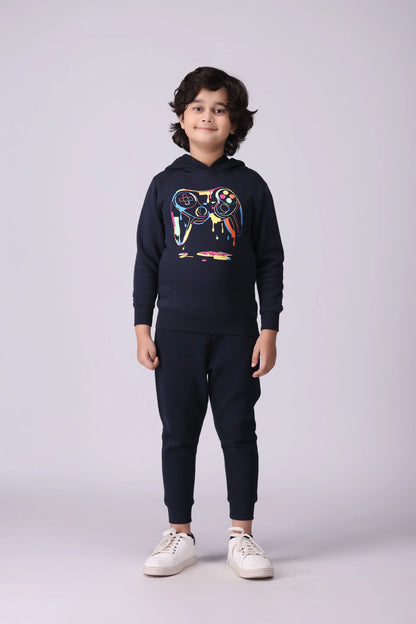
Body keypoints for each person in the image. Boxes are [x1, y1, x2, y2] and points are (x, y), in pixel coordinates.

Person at [133, 66, 284, 579]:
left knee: (238, 430)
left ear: (234, 122)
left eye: (219, 109)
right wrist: (142, 326)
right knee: (178, 432)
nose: (208, 116)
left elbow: (270, 259)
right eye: (198, 107)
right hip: (175, 332)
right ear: (182, 117)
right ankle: (180, 533)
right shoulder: (164, 185)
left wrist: (269, 328)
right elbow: (147, 258)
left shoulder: (250, 186)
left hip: (237, 334)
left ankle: (242, 534)